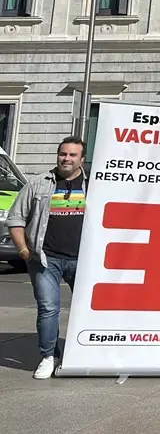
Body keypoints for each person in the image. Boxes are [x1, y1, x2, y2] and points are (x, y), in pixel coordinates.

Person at [6, 136, 88, 379]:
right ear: (57, 155)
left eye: (73, 155)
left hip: (83, 259)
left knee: (86, 308)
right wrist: (23, 250)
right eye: (63, 154)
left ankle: (83, 351)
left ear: (81, 159)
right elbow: (15, 219)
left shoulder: (94, 184)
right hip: (45, 258)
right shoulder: (39, 183)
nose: (67, 158)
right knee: (48, 308)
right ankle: (48, 356)